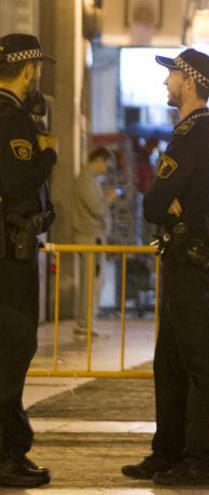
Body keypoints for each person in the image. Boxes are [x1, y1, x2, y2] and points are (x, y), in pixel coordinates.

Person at [121, 48, 209, 486]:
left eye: (171, 75)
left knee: (199, 363)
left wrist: (171, 207)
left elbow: (152, 203)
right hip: (198, 253)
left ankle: (201, 459)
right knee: (168, 361)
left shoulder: (191, 136)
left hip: (187, 257)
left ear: (189, 81)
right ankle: (166, 452)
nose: (166, 82)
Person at [0, 33, 56, 489]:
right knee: (15, 348)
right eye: (37, 69)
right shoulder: (13, 117)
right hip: (10, 254)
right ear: (27, 70)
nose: (38, 76)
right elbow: (19, 183)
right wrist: (48, 152)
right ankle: (8, 454)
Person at [73, 146, 120, 337]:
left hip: (94, 237)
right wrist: (109, 198)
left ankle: (87, 324)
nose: (105, 169)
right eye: (105, 164)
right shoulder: (85, 180)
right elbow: (97, 209)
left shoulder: (90, 180)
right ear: (99, 160)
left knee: (95, 282)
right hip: (90, 238)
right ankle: (84, 325)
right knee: (90, 283)